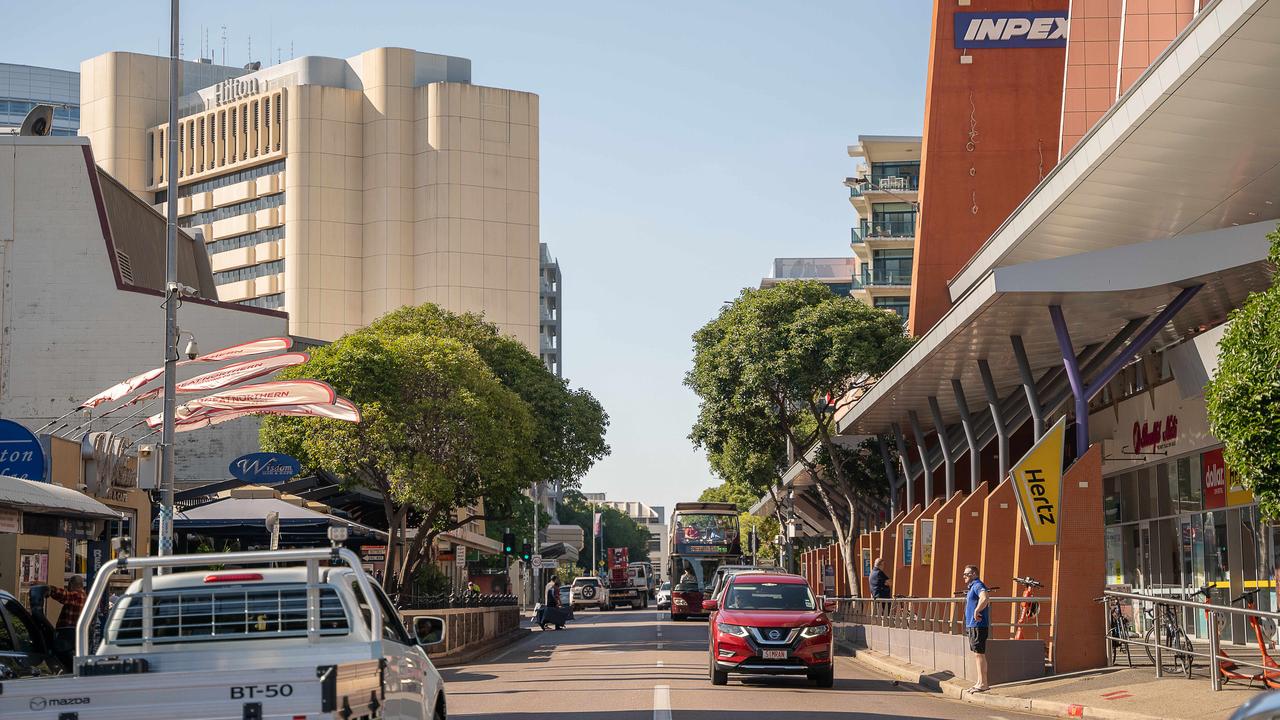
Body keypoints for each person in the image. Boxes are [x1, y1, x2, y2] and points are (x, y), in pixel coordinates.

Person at [962, 564, 991, 693]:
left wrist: (977, 610)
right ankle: (979, 682)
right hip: (972, 625)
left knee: (979, 654)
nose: (964, 576)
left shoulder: (978, 585)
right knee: (977, 654)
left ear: (974, 574)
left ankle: (983, 683)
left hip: (978, 625)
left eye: (966, 574)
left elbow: (985, 597)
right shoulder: (972, 587)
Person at [47, 575, 87, 656]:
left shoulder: (78, 595)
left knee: (61, 657)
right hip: (74, 633)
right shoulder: (84, 596)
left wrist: (48, 588)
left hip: (69, 634)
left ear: (71, 584)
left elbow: (64, 595)